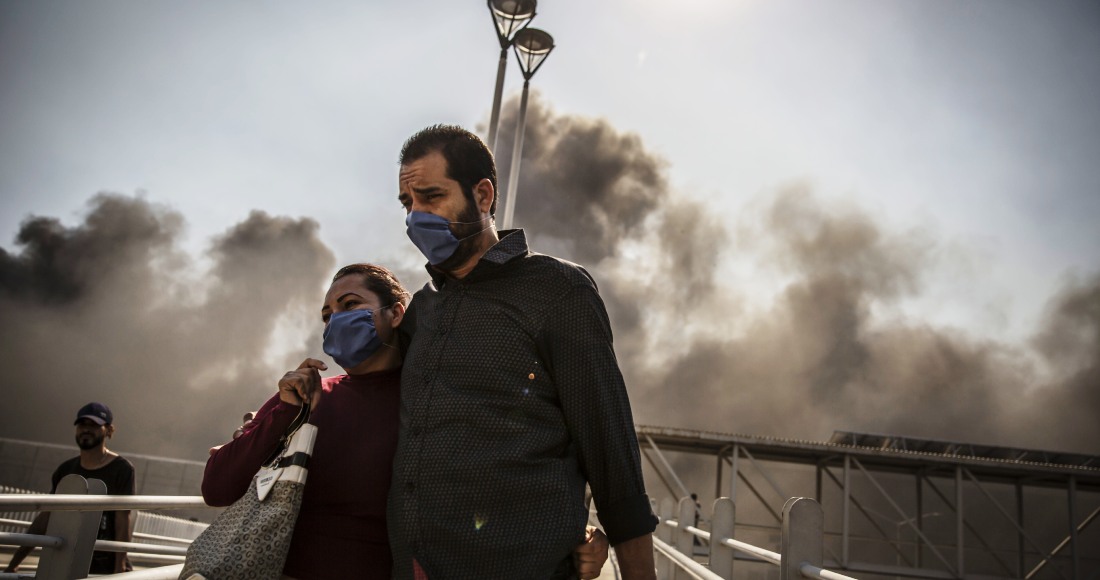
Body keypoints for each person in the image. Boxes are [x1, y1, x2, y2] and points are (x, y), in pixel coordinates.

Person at [202, 264, 609, 579]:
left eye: (350, 305)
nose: (334, 320)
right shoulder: (309, 396)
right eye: (326, 314)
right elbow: (217, 487)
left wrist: (579, 536)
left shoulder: (437, 399)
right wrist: (283, 412)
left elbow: (504, 479)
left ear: (396, 313)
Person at [390, 124, 658, 579]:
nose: (416, 216)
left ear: (483, 195)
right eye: (407, 203)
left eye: (432, 197)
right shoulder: (422, 310)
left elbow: (609, 447)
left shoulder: (557, 290)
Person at [4, 403, 135, 575]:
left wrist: (119, 568)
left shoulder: (121, 469)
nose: (86, 430)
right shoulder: (66, 469)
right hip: (66, 561)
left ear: (109, 430)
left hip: (104, 566)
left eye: (94, 425)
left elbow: (122, 519)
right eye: (82, 425)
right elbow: (47, 516)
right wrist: (14, 564)